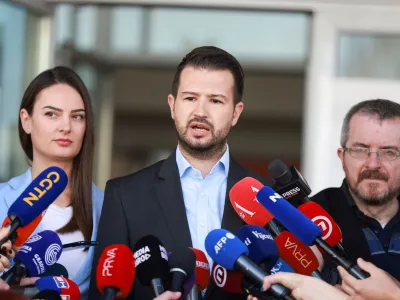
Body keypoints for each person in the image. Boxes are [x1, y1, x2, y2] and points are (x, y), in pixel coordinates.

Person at [89, 46, 272, 300]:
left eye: (216, 101)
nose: (200, 112)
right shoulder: (124, 195)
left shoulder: (267, 198)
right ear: (173, 105)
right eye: (190, 98)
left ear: (236, 113)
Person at [0, 66, 104, 299]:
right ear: (26, 121)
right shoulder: (2, 200)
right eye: (52, 114)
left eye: (77, 116)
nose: (65, 126)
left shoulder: (108, 207)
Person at [311, 99, 400, 281]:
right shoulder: (308, 217)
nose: (373, 164)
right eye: (360, 150)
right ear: (342, 158)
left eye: (388, 152)